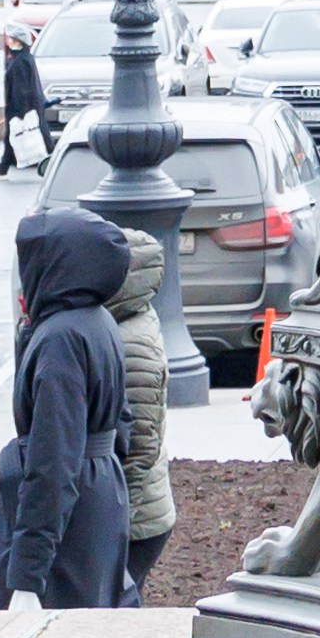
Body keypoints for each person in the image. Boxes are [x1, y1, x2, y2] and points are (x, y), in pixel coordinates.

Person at [0, 207, 134, 609]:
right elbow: (123, 424)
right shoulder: (97, 322)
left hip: (68, 521)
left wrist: (29, 576)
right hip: (97, 502)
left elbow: (53, 461)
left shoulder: (60, 340)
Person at [111, 228, 177, 598]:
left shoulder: (131, 343)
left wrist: (113, 522)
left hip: (137, 521)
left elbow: (137, 448)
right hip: (142, 514)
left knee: (113, 611)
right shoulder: (130, 318)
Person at [0, 25, 57, 175]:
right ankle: (2, 168)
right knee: (32, 136)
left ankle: (2, 169)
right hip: (30, 106)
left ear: (18, 41)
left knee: (17, 136)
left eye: (12, 39)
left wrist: (20, 111)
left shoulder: (18, 62)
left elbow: (20, 88)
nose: (9, 41)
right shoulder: (25, 58)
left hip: (21, 108)